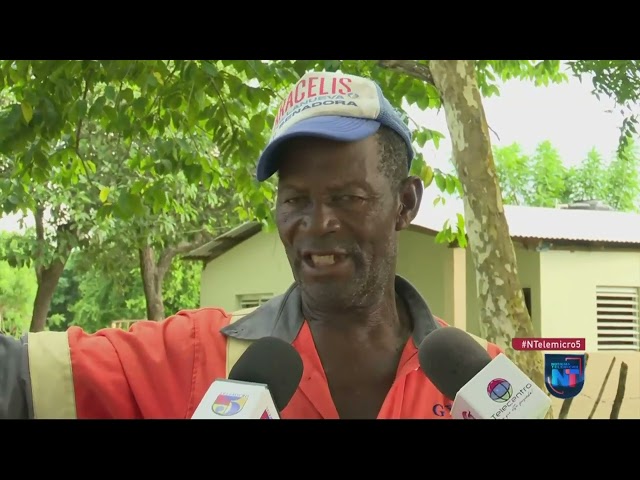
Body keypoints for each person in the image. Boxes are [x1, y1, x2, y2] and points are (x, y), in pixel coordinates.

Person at [0, 70, 503, 419]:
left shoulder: (481, 380)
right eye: (295, 199)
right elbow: (17, 379)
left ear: (405, 203)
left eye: (347, 197)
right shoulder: (198, 357)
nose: (318, 223)